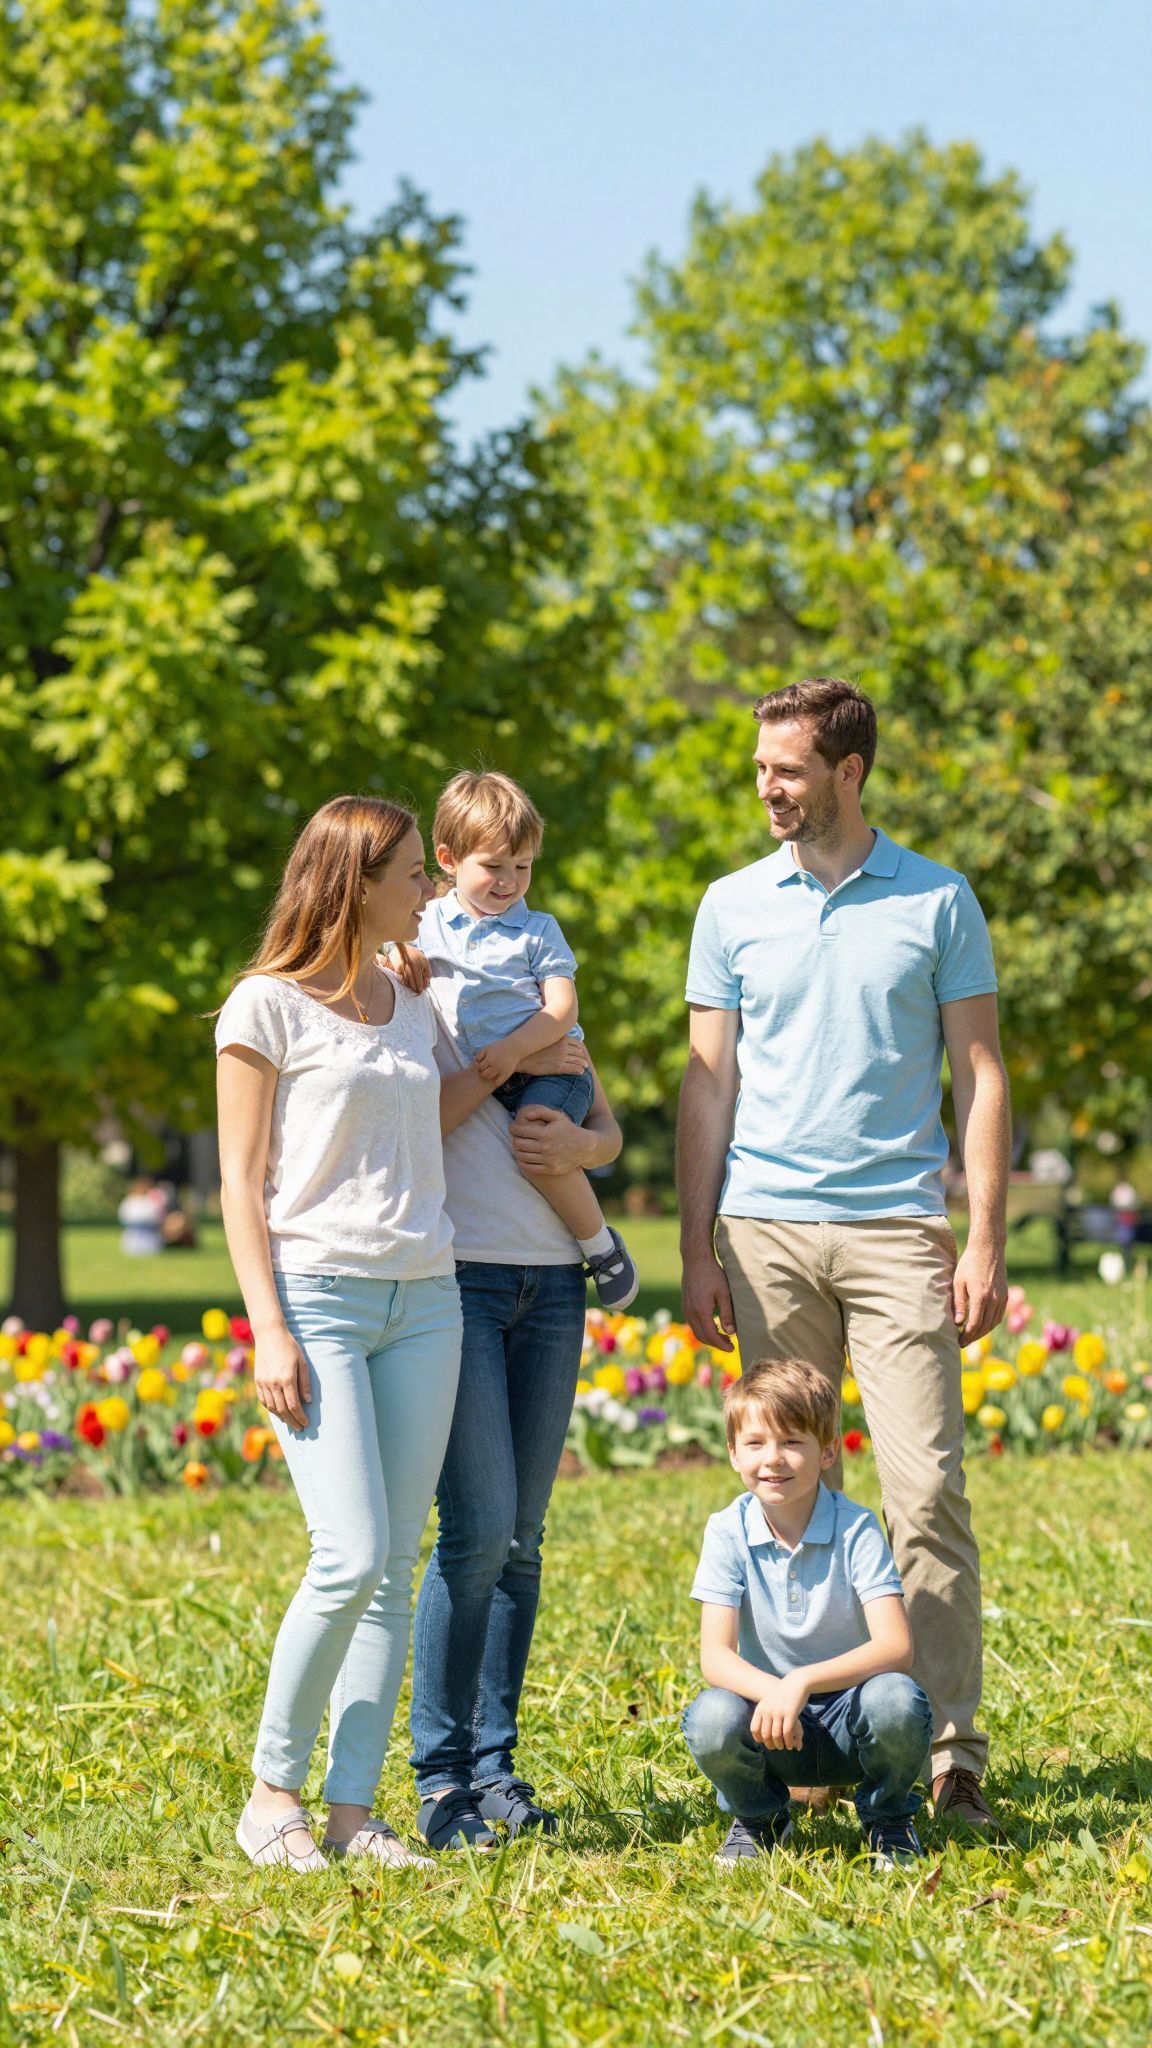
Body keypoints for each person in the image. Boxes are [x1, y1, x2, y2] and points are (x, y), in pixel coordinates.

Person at [678, 678, 1011, 1832]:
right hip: (764, 1232)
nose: (766, 785)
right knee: (783, 1495)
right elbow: (707, 1083)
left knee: (925, 1494)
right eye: (761, 766)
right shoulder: (730, 905)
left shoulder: (938, 900)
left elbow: (981, 1076)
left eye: (787, 767)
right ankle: (802, 1750)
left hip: (898, 1232)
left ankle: (948, 1746)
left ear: (849, 770)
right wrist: (697, 1244)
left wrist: (983, 1235)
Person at [215, 795, 462, 1873]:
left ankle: (355, 1814)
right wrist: (267, 1322)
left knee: (393, 1570)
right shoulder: (262, 1006)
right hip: (317, 1298)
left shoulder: (408, 998)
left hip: (428, 1296)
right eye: (414, 872)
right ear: (354, 881)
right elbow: (236, 1177)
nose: (430, 889)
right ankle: (274, 1795)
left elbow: (438, 1120)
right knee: (348, 1552)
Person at [406, 953, 625, 1851]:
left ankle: (494, 1769)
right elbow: (416, 1122)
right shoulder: (414, 987)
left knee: (523, 1542)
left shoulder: (534, 981)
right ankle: (440, 1778)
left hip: (555, 1282)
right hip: (460, 1276)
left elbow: (602, 1125)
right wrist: (497, 1064)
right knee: (477, 1532)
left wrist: (585, 1149)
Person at [683, 1358, 932, 1866]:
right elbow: (716, 1656)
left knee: (897, 1700)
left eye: (793, 1441)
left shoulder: (856, 1528)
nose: (773, 1459)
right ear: (733, 1454)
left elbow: (895, 1646)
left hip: (851, 1717)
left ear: (828, 1451)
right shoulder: (726, 1531)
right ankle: (760, 1820)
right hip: (769, 1720)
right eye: (755, 1443)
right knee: (709, 1716)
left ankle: (888, 1821)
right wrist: (778, 1692)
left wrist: (800, 1682)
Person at [417, 770, 638, 1311]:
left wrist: (518, 1051)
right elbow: (390, 954)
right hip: (467, 1244)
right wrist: (398, 953)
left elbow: (563, 1008)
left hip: (556, 1068)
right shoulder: (424, 925)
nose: (509, 882)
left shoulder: (537, 930)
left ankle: (600, 1246)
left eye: (523, 867)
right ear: (447, 859)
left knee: (536, 1138)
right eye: (492, 866)